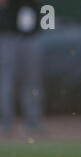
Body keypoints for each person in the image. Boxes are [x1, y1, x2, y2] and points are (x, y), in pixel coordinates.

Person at [0, 0, 43, 133]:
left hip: (30, 35)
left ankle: (33, 122)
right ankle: (6, 123)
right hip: (8, 34)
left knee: (32, 82)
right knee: (6, 81)